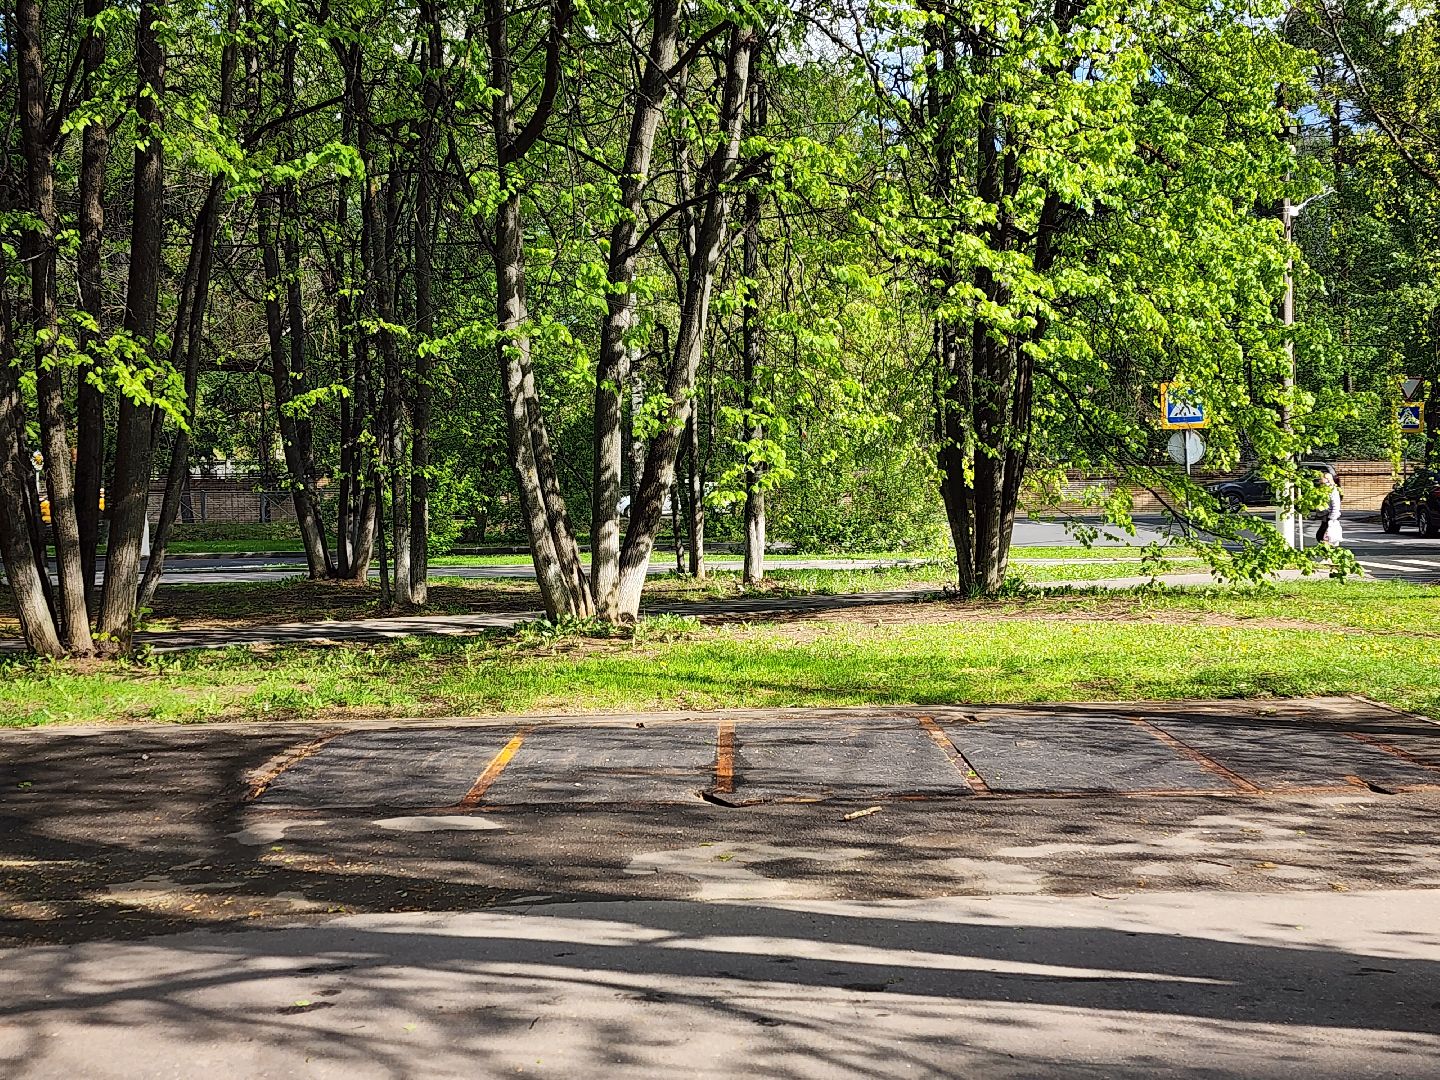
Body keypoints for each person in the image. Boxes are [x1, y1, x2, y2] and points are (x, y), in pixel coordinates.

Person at [1316, 471, 1343, 546]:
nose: (1320, 480)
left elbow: (1335, 506)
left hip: (1330, 518)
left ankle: (1328, 556)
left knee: (1327, 538)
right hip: (1325, 517)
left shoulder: (1332, 490)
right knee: (1321, 537)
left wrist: (1332, 519)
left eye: (1322, 479)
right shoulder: (1323, 490)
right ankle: (1327, 556)